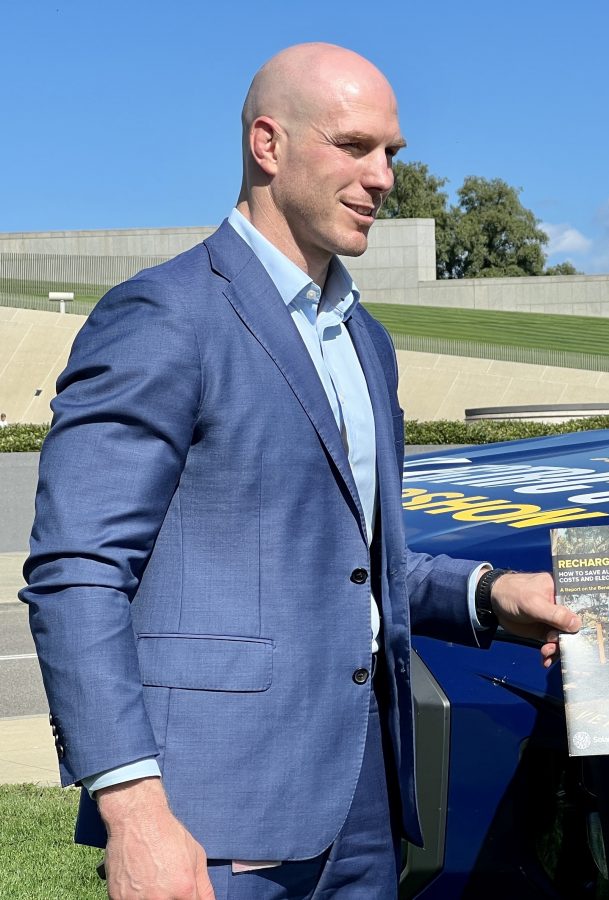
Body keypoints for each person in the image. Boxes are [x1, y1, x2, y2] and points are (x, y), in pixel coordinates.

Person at [21, 43, 579, 899]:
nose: (384, 175)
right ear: (267, 145)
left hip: (366, 799)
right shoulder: (164, 316)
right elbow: (78, 573)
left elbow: (350, 559)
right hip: (206, 812)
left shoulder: (365, 339)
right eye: (355, 145)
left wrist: (491, 596)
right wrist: (134, 811)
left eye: (392, 152)